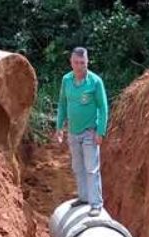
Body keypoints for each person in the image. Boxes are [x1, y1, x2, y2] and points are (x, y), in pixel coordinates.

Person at [55, 47, 109, 217]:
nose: (79, 66)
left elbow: (103, 108)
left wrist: (100, 131)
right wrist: (59, 128)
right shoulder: (66, 80)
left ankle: (96, 204)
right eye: (76, 63)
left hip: (89, 132)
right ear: (71, 62)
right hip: (73, 132)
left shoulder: (95, 82)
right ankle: (84, 197)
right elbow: (62, 104)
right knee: (78, 167)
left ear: (87, 62)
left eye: (83, 63)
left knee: (91, 168)